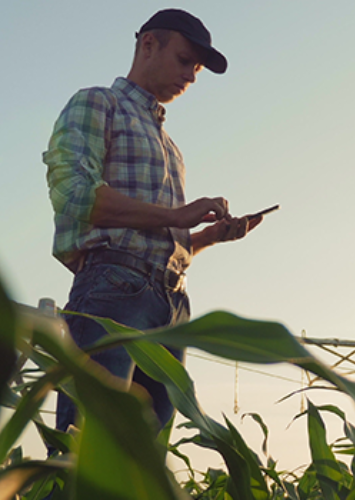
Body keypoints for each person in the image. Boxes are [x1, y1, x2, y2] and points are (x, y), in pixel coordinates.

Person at [42, 8, 260, 435]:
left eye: (197, 69)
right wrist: (176, 215)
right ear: (148, 45)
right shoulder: (97, 103)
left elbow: (155, 239)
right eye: (185, 61)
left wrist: (207, 237)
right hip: (114, 291)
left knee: (144, 463)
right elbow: (72, 195)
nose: (192, 77)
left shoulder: (171, 147)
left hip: (171, 303)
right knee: (87, 447)